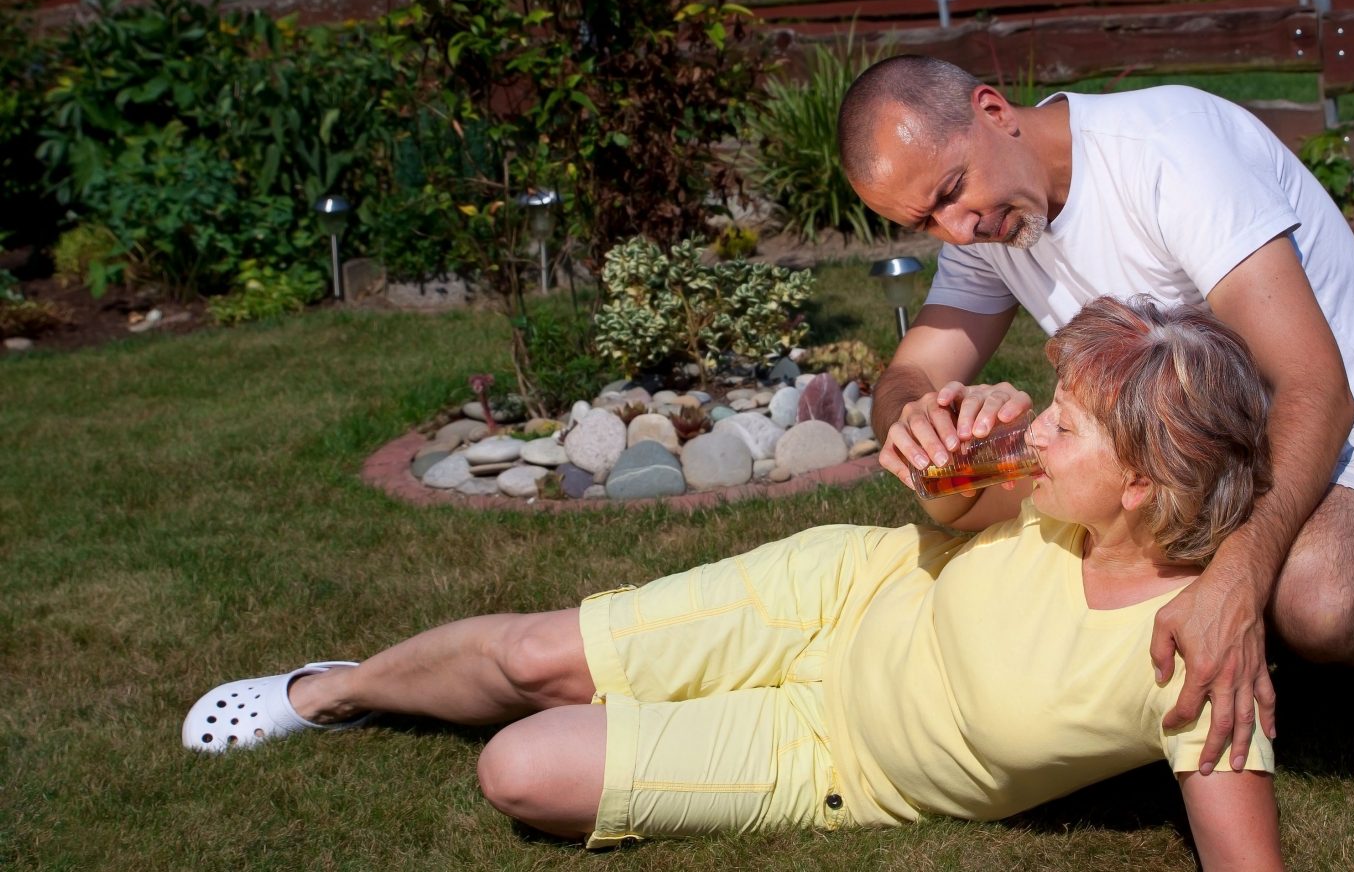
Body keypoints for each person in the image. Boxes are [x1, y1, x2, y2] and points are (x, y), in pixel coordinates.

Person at [186, 296, 1284, 869]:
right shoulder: (1050, 497)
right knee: (533, 659)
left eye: (1067, 423)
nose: (1038, 425)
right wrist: (954, 453)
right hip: (836, 593)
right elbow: (945, 513)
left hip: (833, 763)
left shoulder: (1196, 657)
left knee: (520, 771)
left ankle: (629, 704)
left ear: (1142, 484)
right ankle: (333, 690)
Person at [836, 55, 1354, 790]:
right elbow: (913, 372)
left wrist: (1240, 577)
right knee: (976, 481)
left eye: (952, 192)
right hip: (1198, 455)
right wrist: (911, 417)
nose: (958, 231)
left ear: (993, 111)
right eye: (926, 221)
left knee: (1317, 599)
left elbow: (1316, 391)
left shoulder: (1167, 154)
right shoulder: (992, 223)